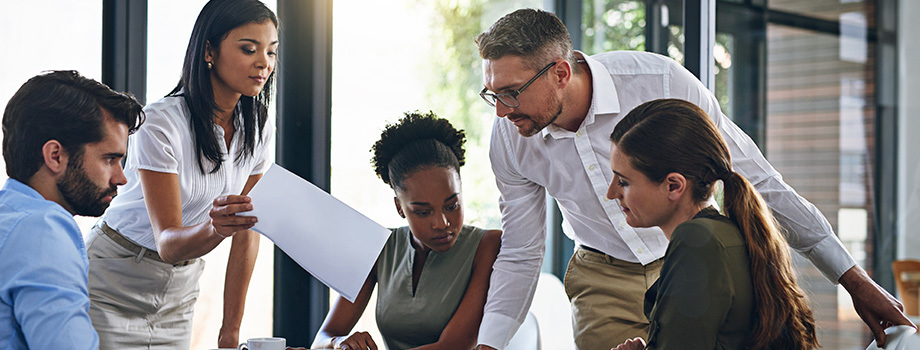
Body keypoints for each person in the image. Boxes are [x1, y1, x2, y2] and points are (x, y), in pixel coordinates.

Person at [474, 8, 913, 350]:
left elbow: (757, 178)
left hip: (691, 265)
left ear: (560, 73)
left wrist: (852, 280)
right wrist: (489, 344)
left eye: (511, 92)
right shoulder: (510, 137)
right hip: (602, 278)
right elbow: (521, 251)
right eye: (492, 93)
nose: (501, 110)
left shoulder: (659, 81)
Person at [86, 0, 278, 348]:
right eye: (249, 49)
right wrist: (215, 227)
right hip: (113, 279)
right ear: (209, 51)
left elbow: (247, 232)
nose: (264, 63)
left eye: (272, 52)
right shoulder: (160, 122)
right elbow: (169, 243)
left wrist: (230, 328)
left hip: (181, 289)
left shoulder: (259, 126)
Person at [606, 99, 818, 350]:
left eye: (623, 182)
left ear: (673, 186)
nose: (611, 193)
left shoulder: (696, 241)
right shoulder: (727, 234)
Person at [311, 112, 501, 350]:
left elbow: (454, 346)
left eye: (452, 205)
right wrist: (339, 344)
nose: (442, 223)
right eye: (423, 212)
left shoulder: (488, 245)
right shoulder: (379, 246)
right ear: (400, 207)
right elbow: (322, 339)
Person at [0, 70, 144, 349]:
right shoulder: (42, 231)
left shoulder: (9, 216)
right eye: (109, 159)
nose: (121, 177)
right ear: (56, 155)